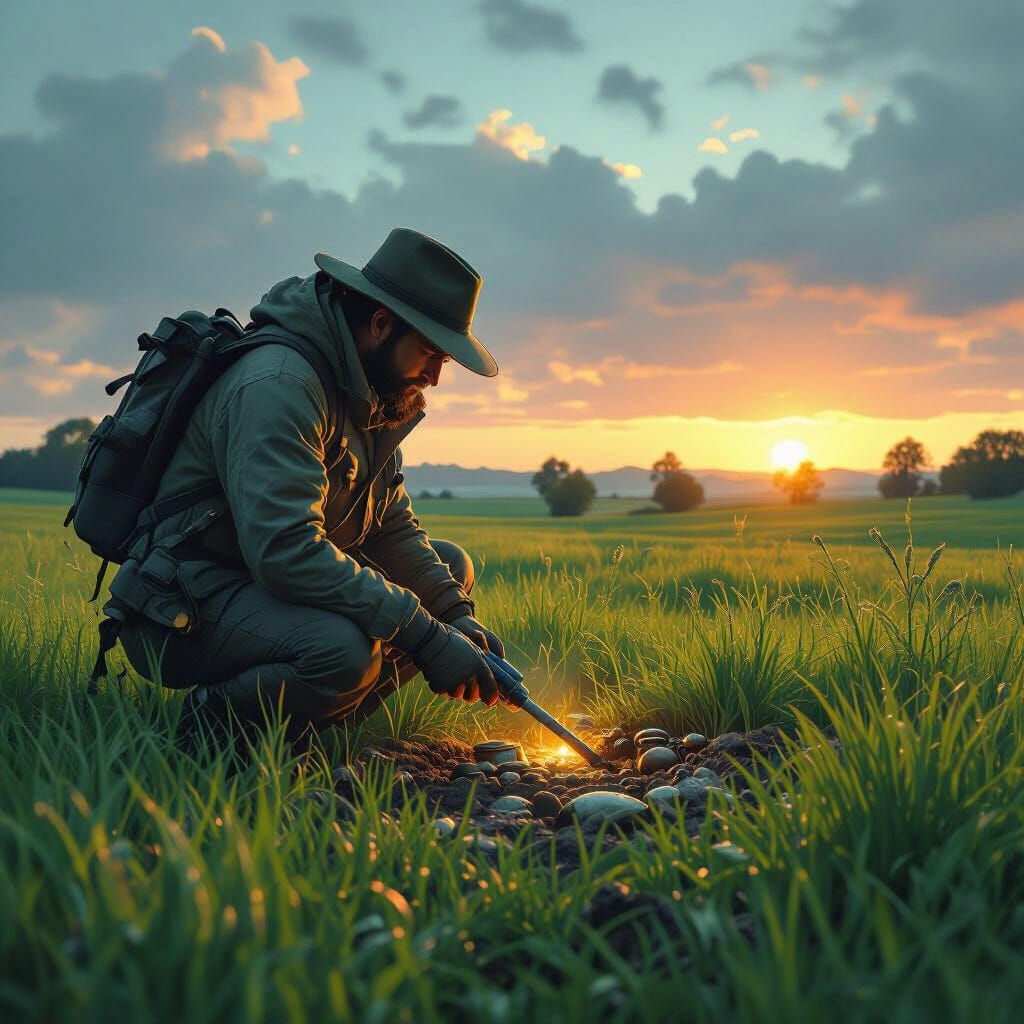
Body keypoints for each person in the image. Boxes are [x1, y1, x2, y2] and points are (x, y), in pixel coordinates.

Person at [105, 227, 506, 737]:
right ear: (382, 324)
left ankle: (302, 736)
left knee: (448, 569)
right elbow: (285, 550)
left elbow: (392, 529)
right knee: (342, 652)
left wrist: (454, 618)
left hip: (257, 589)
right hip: (182, 604)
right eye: (431, 353)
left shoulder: (365, 390)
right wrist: (426, 638)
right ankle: (205, 739)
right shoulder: (280, 385)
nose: (435, 377)